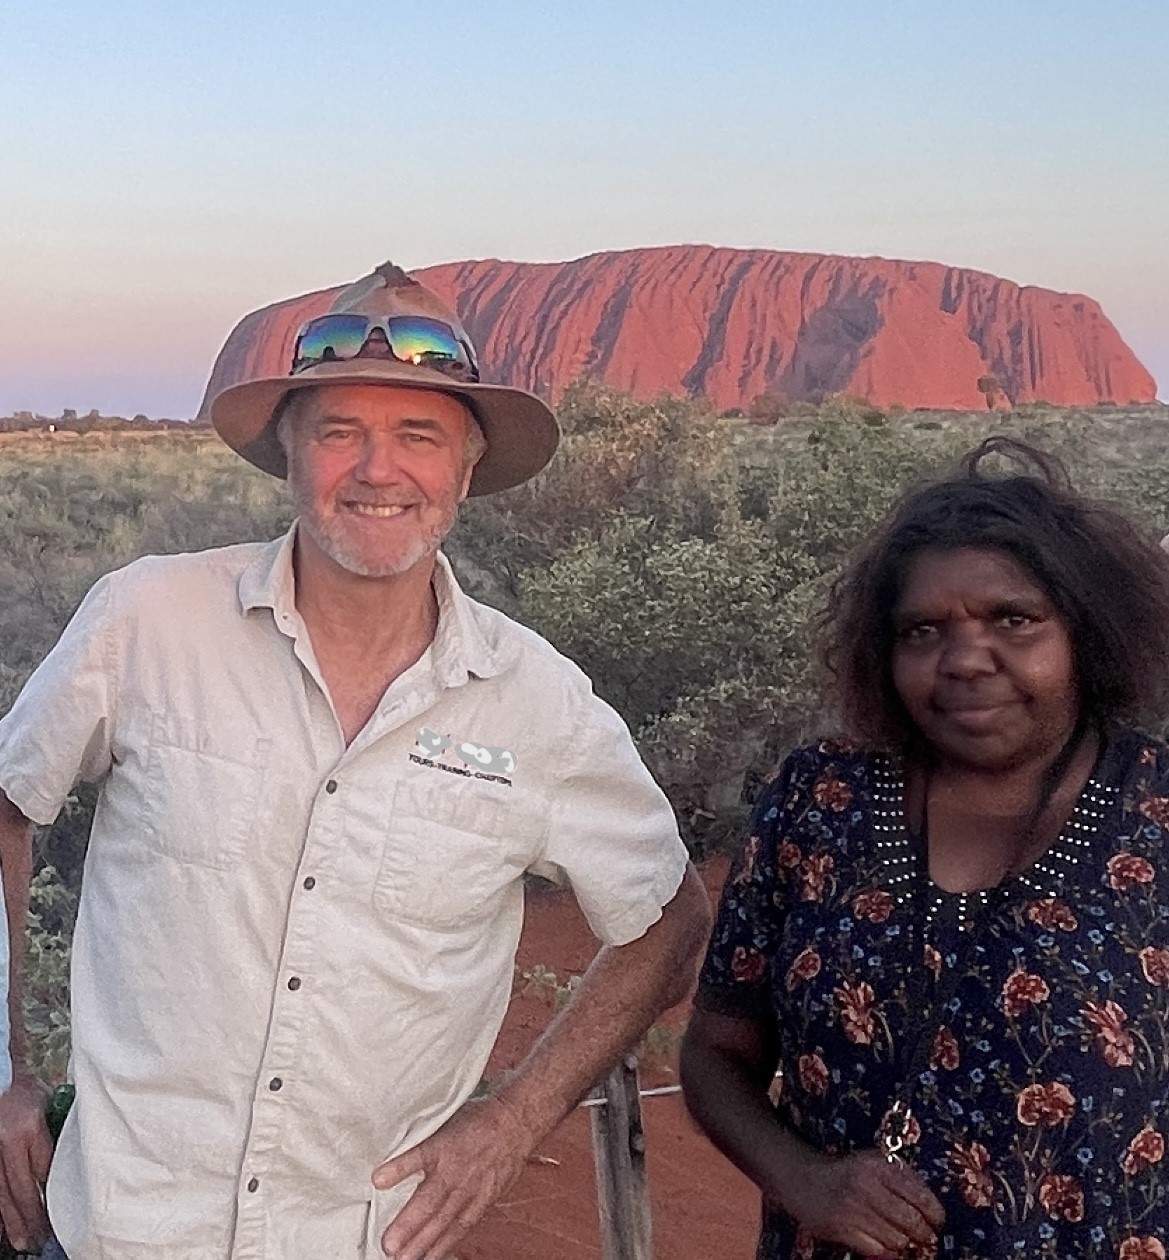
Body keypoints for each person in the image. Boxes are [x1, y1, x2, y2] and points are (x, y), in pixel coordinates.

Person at [0, 262, 711, 1260]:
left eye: (419, 434)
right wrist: (6, 1071)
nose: (379, 470)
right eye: (340, 431)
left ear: (465, 470)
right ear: (289, 455)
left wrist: (511, 1123)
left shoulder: (537, 702)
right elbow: (7, 806)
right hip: (119, 1228)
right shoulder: (145, 619)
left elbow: (668, 917)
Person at [681, 437, 1169, 1260]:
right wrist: (802, 1180)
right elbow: (715, 1053)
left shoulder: (1153, 817)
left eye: (1012, 619)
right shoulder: (817, 802)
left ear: (1084, 629)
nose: (964, 660)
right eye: (922, 631)